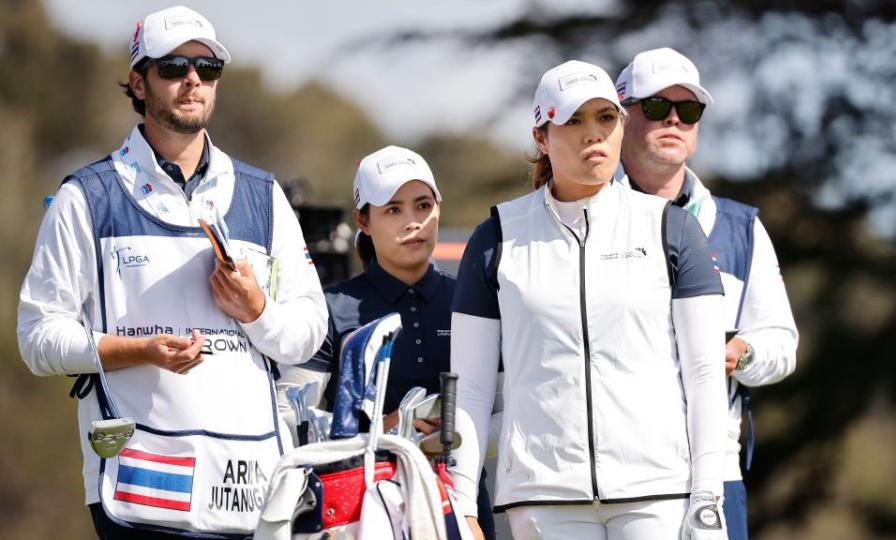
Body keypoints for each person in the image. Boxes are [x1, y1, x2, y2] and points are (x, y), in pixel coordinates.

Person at [16, 6, 327, 538]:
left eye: (207, 70)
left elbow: (308, 333)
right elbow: (37, 337)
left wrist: (256, 311)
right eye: (173, 67)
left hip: (248, 488)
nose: (192, 81)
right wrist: (134, 350)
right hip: (142, 488)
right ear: (138, 82)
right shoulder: (86, 197)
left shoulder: (264, 194)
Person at [449, 59, 730, 539]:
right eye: (573, 120)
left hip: (659, 494)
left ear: (621, 127)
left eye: (605, 118)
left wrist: (707, 496)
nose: (592, 134)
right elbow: (470, 388)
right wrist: (459, 500)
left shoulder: (671, 226)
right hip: (543, 497)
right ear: (541, 136)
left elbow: (704, 374)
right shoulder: (496, 237)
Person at [615, 47, 799, 540]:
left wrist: (739, 353)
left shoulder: (740, 227)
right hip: (605, 476)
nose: (673, 119)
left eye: (688, 110)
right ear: (621, 115)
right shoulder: (584, 217)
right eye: (656, 107)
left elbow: (782, 345)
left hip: (713, 471)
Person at [281, 145, 497, 538]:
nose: (413, 222)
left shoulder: (473, 300)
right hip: (361, 511)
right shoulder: (331, 308)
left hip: (464, 511)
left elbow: (506, 413)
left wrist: (457, 431)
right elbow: (295, 421)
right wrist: (392, 426)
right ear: (363, 220)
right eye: (393, 210)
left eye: (423, 205)